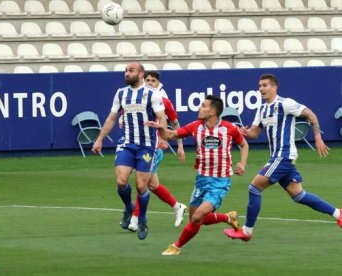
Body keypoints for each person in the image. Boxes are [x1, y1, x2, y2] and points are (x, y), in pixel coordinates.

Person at [224, 73, 341, 242]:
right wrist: (245, 132)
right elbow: (254, 133)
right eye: (259, 86)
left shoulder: (285, 103)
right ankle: (338, 213)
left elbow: (311, 115)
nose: (261, 89)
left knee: (254, 188)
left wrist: (317, 137)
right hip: (279, 158)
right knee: (298, 195)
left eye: (264, 85)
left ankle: (247, 231)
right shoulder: (262, 109)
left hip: (283, 156)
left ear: (274, 87)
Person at [145, 95, 249, 255]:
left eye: (203, 106)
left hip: (220, 182)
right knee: (197, 219)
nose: (199, 108)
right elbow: (171, 135)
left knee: (197, 217)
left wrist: (242, 163)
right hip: (201, 180)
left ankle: (176, 246)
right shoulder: (196, 126)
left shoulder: (229, 128)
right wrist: (159, 128)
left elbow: (243, 144)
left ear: (213, 112)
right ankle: (228, 218)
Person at [92, 62, 168, 240]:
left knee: (142, 186)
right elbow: (111, 118)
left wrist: (160, 127)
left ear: (141, 74)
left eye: (131, 71)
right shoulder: (121, 93)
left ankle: (142, 220)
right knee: (121, 182)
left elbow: (163, 120)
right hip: (126, 143)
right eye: (126, 71)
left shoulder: (153, 94)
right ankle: (128, 208)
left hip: (147, 145)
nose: (127, 73)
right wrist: (100, 139)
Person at [128, 71, 187, 232]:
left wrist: (180, 146)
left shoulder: (163, 101)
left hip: (153, 148)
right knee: (152, 185)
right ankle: (177, 207)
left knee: (142, 182)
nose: (150, 83)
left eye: (153, 81)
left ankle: (135, 219)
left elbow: (175, 124)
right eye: (147, 80)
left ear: (158, 84)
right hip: (138, 146)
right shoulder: (137, 99)